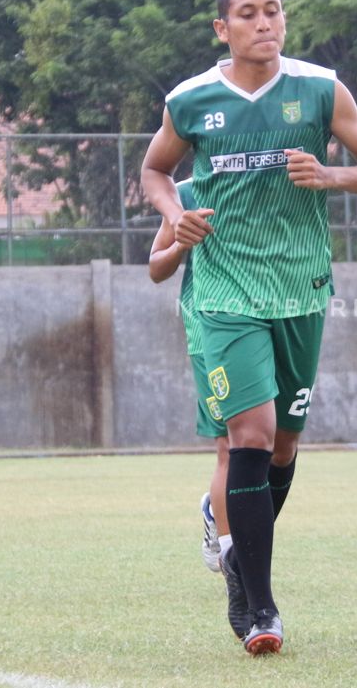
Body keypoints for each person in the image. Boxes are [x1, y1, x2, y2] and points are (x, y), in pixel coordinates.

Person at [140, 0, 357, 655]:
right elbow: (155, 171)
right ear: (222, 28)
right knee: (247, 434)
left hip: (300, 290)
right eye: (248, 14)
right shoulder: (191, 100)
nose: (264, 23)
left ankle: (231, 544)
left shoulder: (319, 88)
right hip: (224, 294)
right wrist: (174, 218)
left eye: (273, 11)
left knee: (281, 446)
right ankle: (258, 605)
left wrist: (331, 174)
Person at [148, 179, 232, 576]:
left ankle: (219, 509)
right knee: (231, 447)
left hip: (274, 319)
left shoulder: (274, 178)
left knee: (274, 448)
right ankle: (235, 559)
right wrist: (182, 241)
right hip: (209, 331)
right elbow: (156, 267)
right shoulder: (185, 193)